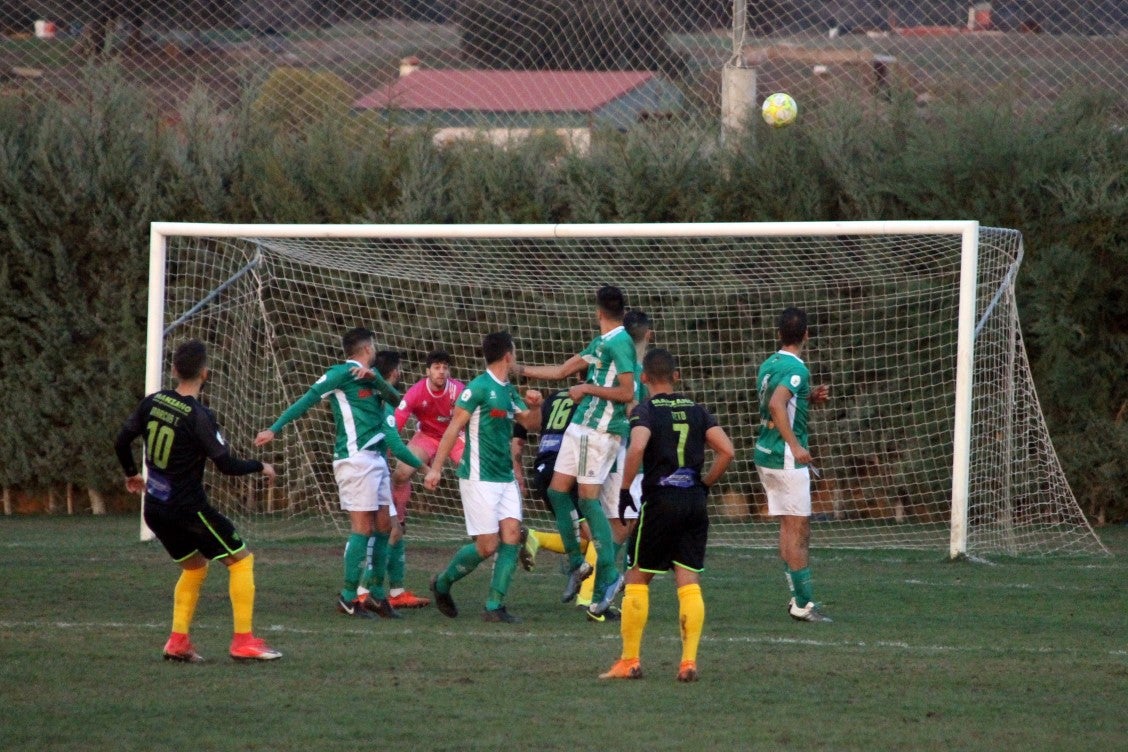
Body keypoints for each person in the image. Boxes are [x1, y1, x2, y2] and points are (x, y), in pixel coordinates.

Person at [114, 339, 281, 662]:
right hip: (188, 509)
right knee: (241, 560)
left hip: (155, 509)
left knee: (193, 568)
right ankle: (243, 641)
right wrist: (261, 465)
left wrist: (132, 473)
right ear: (205, 374)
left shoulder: (153, 401)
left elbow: (122, 440)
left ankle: (178, 642)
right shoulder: (199, 416)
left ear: (174, 370)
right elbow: (227, 465)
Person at [254, 327, 428, 620]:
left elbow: (398, 400)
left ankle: (375, 595)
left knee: (385, 527)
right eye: (374, 344)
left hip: (376, 460)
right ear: (367, 347)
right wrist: (275, 427)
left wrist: (375, 379)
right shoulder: (340, 373)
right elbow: (307, 399)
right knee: (363, 529)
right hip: (355, 460)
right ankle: (348, 597)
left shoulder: (370, 378)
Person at [599, 348, 734, 682]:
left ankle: (629, 661)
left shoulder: (645, 411)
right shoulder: (697, 409)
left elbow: (638, 446)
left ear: (644, 378)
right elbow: (727, 450)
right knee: (688, 581)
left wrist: (625, 487)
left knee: (636, 577)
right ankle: (688, 663)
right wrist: (705, 484)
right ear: (676, 377)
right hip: (693, 503)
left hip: (660, 502)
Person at [513, 285, 637, 619]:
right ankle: (577, 563)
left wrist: (586, 387)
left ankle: (609, 575)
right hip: (580, 427)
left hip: (599, 431)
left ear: (598, 311)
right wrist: (520, 370)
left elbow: (628, 392)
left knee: (587, 499)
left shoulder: (621, 342)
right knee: (556, 491)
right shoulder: (602, 343)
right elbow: (561, 371)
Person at [423, 331, 543, 623]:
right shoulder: (477, 388)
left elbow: (531, 423)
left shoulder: (509, 389)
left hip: (504, 477)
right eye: (514, 352)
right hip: (478, 477)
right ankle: (442, 583)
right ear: (507, 356)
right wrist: (436, 467)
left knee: (512, 537)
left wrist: (537, 405)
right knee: (487, 545)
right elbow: (452, 429)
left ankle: (494, 606)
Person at [754, 307, 832, 623]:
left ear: (778, 334)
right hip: (786, 458)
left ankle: (796, 596)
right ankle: (803, 604)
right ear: (806, 335)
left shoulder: (769, 364)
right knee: (799, 530)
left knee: (788, 525)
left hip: (766, 455)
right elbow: (776, 404)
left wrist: (807, 397)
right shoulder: (797, 367)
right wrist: (796, 445)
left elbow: (778, 398)